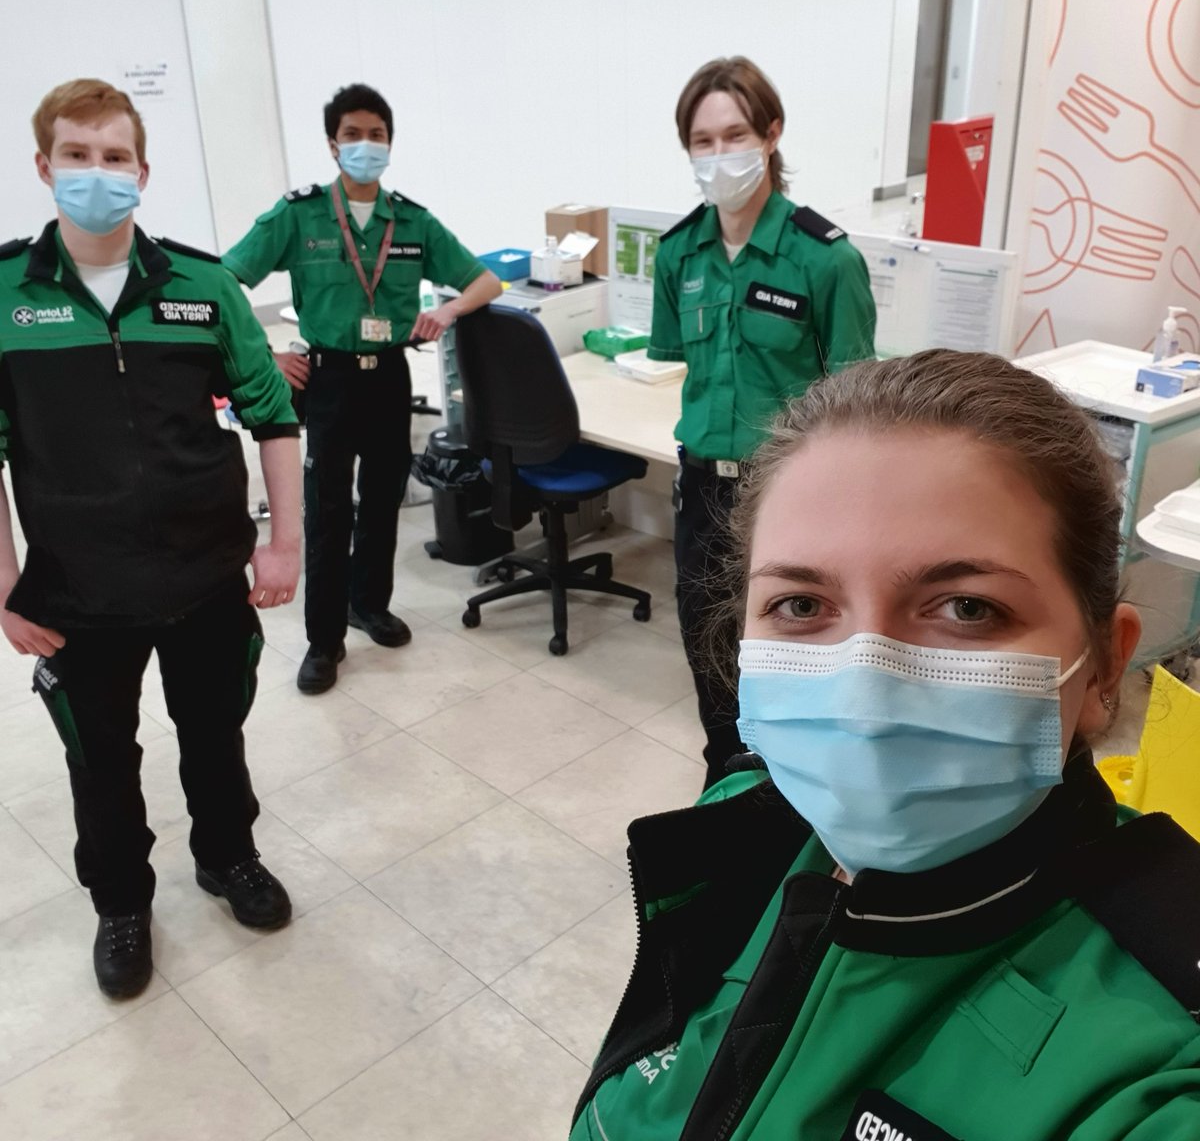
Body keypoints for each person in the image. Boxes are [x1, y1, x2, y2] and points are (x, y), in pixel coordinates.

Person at [570, 349, 1200, 1140]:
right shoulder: (739, 824)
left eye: (967, 608)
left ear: (1105, 663)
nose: (865, 699)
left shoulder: (1162, 1058)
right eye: (801, 603)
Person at [0, 79, 302, 998]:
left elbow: (273, 416)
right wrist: (4, 584)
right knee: (100, 760)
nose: (99, 174)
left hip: (207, 575)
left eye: (116, 157)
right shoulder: (7, 295)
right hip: (77, 590)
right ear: (45, 167)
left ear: (143, 170)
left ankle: (227, 857)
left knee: (215, 735)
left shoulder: (202, 286)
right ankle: (121, 905)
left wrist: (282, 543)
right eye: (79, 157)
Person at [223, 83, 501, 695]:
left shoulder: (413, 220)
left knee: (381, 501)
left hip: (390, 376)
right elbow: (222, 283)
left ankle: (368, 605)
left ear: (390, 144)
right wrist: (266, 357)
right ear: (332, 144)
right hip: (327, 378)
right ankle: (324, 641)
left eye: (376, 135)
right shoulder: (298, 216)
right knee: (327, 511)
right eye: (353, 134)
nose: (365, 145)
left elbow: (485, 281)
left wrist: (448, 312)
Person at [649, 56, 876, 788]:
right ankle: (727, 779)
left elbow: (853, 405)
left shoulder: (825, 260)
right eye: (702, 142)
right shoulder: (678, 252)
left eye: (734, 135)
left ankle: (798, 788)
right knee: (706, 643)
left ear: (772, 133)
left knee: (790, 651)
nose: (719, 156)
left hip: (790, 496)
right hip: (703, 488)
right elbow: (681, 359)